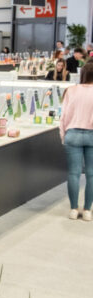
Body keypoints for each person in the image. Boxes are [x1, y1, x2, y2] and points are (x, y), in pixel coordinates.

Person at [60, 63, 93, 221]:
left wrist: (63, 136)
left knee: (73, 173)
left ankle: (73, 209)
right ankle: (87, 210)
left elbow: (63, 116)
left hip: (72, 134)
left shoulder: (71, 90)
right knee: (91, 175)